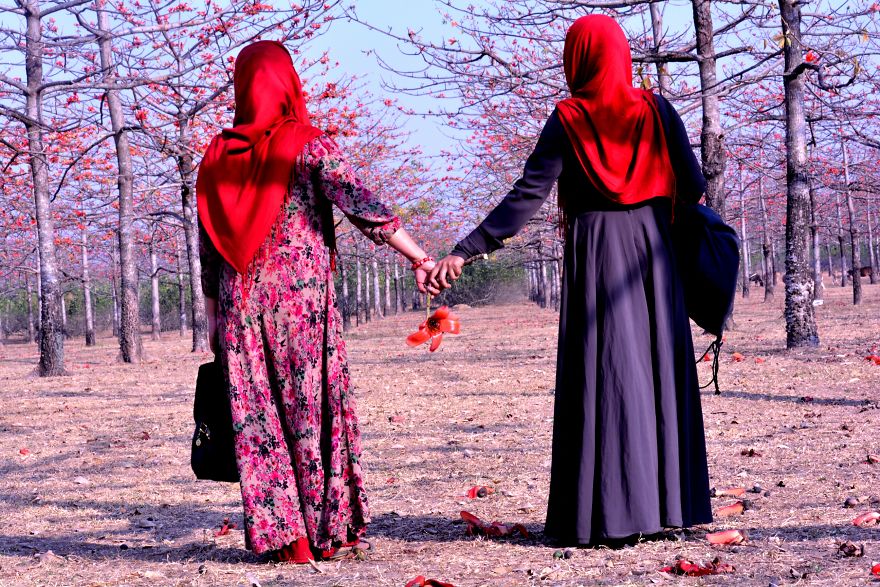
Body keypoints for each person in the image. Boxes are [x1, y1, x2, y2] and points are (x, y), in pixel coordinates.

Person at [428, 15, 712, 546]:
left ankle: (605, 514)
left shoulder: (569, 119)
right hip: (654, 254)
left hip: (598, 257)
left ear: (577, 59)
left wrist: (467, 250)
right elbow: (693, 184)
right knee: (656, 369)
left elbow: (526, 195)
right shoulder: (658, 110)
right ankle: (668, 505)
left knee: (607, 373)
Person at [196, 40, 436, 563]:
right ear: (288, 83)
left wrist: (213, 315)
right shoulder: (308, 143)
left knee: (259, 418)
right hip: (302, 302)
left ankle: (289, 540)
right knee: (312, 409)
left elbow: (209, 245)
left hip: (242, 300)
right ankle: (329, 528)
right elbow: (362, 204)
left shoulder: (216, 156)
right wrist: (418, 257)